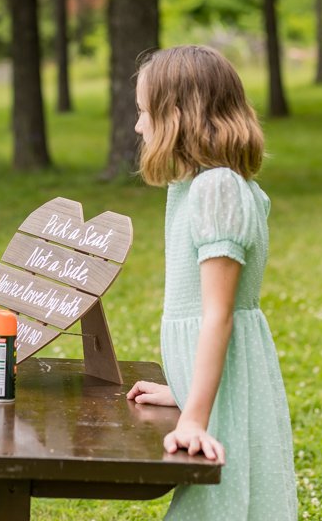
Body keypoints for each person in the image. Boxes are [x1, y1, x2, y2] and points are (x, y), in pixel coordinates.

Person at [126, 45, 297, 519]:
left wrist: (195, 418)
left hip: (225, 398)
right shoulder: (193, 188)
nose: (139, 126)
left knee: (227, 504)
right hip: (211, 389)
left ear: (178, 114)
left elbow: (218, 315)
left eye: (144, 112)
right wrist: (182, 392)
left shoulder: (217, 188)